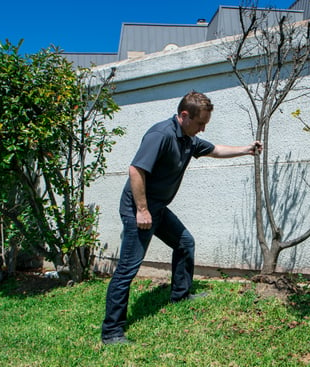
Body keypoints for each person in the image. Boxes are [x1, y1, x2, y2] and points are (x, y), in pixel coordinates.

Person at [101, 91, 262, 345]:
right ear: (184, 115)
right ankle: (111, 332)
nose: (203, 128)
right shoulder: (161, 135)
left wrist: (247, 149)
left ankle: (180, 295)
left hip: (158, 208)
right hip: (139, 209)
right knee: (127, 269)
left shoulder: (188, 139)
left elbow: (216, 150)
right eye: (200, 123)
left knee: (185, 243)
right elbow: (136, 170)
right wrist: (142, 210)